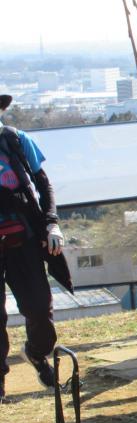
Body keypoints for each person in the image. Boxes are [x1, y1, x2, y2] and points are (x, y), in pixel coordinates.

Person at [0, 94, 72, 400]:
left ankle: (37, 352)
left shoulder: (15, 140)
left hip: (23, 236)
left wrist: (52, 223)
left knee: (40, 307)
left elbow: (43, 184)